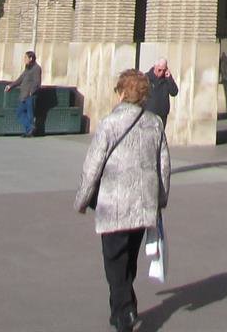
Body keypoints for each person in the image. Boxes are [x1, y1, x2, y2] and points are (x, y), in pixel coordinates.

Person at [75, 67, 171, 332]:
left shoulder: (110, 123)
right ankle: (120, 309)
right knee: (128, 260)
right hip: (142, 204)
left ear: (122, 93)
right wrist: (160, 199)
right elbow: (164, 166)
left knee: (114, 262)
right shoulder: (155, 123)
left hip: (114, 204)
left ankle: (124, 314)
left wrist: (82, 199)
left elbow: (92, 165)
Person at [6, 49, 42, 136]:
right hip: (23, 96)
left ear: (31, 58)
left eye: (26, 57)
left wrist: (31, 92)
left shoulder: (37, 68)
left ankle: (29, 131)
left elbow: (37, 82)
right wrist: (11, 86)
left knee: (30, 114)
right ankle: (30, 128)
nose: (24, 59)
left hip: (30, 96)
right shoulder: (27, 68)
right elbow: (20, 79)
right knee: (19, 113)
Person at [145, 58, 178, 125]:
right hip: (149, 114)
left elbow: (174, 92)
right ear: (155, 67)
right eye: (159, 70)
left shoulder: (167, 79)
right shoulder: (146, 78)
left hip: (162, 115)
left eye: (164, 70)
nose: (162, 72)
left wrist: (169, 78)